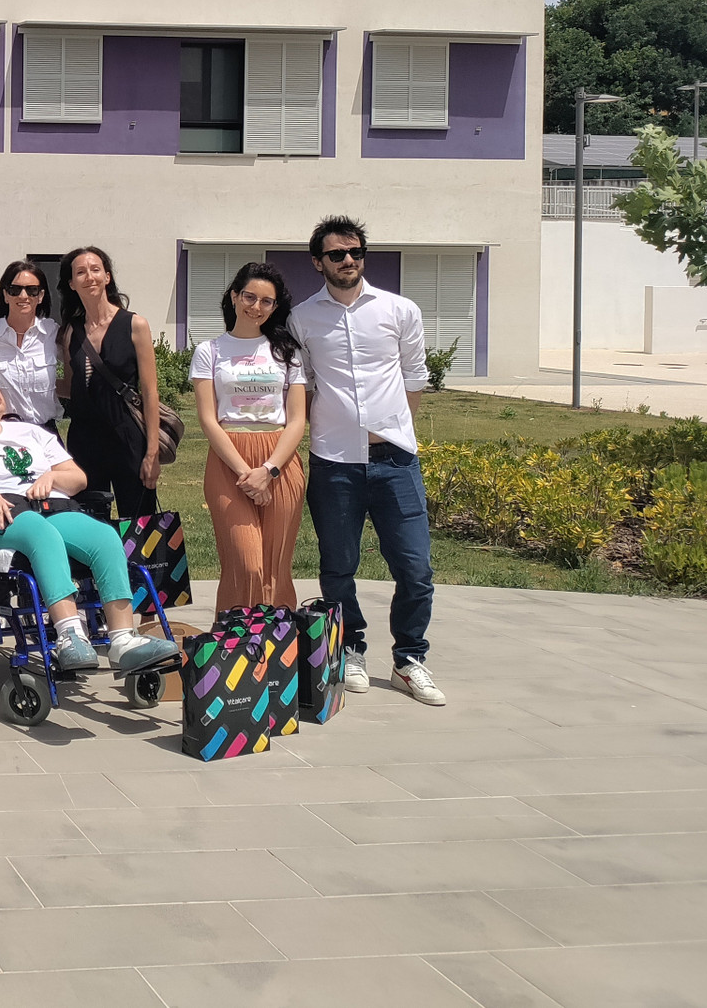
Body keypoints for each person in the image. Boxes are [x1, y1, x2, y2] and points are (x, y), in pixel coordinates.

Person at [0, 364, 177, 674]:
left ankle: (123, 640)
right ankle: (70, 635)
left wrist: (50, 476)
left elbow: (78, 479)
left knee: (105, 537)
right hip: (4, 516)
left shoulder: (30, 431)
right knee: (41, 533)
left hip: (52, 507)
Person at [289, 215, 444, 706]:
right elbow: (306, 385)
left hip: (395, 461)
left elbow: (414, 378)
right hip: (334, 462)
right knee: (339, 567)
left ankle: (409, 660)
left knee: (415, 568)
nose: (349, 261)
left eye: (355, 252)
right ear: (319, 263)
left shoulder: (399, 310)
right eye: (337, 254)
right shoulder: (302, 318)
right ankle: (350, 648)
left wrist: (394, 431)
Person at [191, 262, 308, 613]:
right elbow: (208, 420)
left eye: (266, 301)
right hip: (230, 460)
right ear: (234, 296)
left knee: (275, 566)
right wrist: (247, 472)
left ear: (275, 307)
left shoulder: (287, 353)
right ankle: (236, 649)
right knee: (246, 563)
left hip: (280, 461)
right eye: (249, 296)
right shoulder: (209, 352)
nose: (255, 307)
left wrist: (268, 470)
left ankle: (279, 652)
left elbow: (298, 419)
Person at [59, 246, 164, 521]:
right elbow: (71, 388)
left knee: (139, 522)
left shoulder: (135, 325)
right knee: (89, 521)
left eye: (95, 270)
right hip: (84, 439)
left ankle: (139, 567)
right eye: (80, 272)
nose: (89, 277)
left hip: (127, 437)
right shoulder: (71, 331)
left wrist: (152, 453)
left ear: (107, 277)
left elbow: (150, 392)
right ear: (71, 283)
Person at [0, 260, 64, 429]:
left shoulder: (52, 334)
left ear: (40, 296)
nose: (23, 296)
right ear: (5, 295)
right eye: (15, 289)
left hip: (45, 433)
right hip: (1, 433)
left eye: (31, 290)